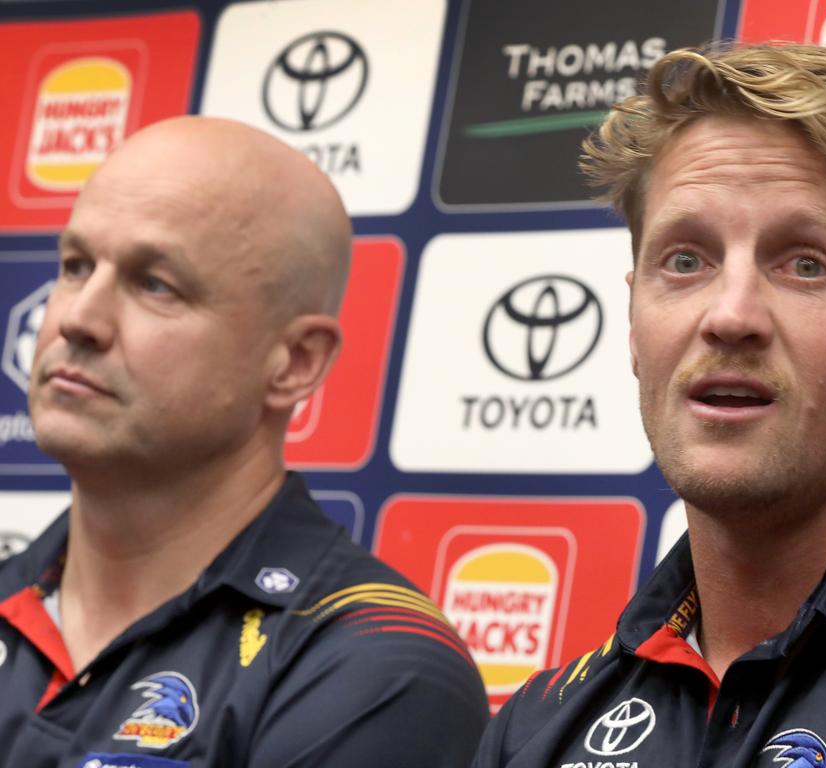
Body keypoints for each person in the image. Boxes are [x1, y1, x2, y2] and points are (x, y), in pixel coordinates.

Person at [472, 42, 826, 767]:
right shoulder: (542, 721)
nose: (730, 315)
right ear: (634, 318)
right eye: (685, 261)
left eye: (804, 264)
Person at [0, 116, 489, 767]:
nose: (77, 319)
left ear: (293, 361)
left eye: (155, 284)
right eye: (75, 265)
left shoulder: (378, 669)